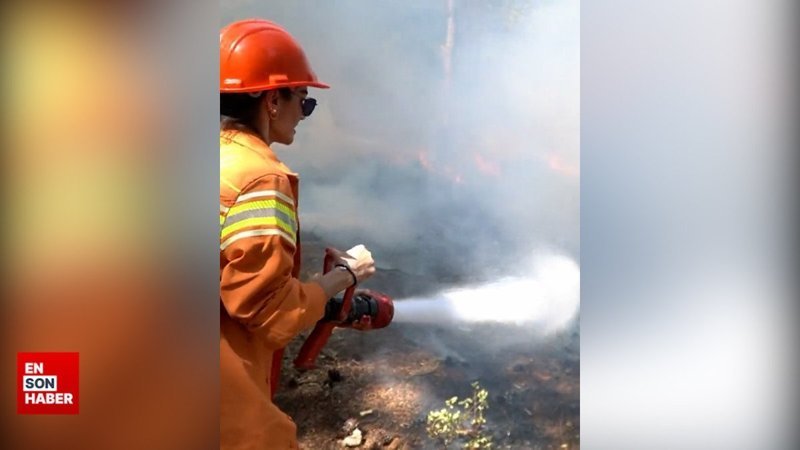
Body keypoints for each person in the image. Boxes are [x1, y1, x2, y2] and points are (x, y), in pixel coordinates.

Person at [219, 18, 376, 449]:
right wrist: (343, 278)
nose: (304, 116)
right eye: (303, 102)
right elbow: (267, 315)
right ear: (273, 101)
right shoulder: (259, 179)